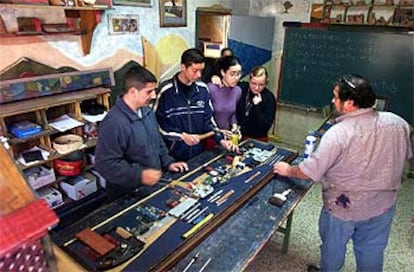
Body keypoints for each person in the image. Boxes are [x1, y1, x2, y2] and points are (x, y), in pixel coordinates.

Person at [273, 74, 412, 272]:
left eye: (335, 97)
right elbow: (404, 157)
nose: (332, 100)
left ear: (349, 103)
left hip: (344, 207)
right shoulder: (398, 123)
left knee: (333, 249)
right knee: (372, 251)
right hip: (383, 205)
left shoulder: (338, 134)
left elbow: (310, 171)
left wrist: (288, 170)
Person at [95, 66, 188, 201]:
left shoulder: (147, 111)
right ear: (133, 92)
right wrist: (140, 175)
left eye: (154, 91)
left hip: (151, 188)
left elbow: (157, 141)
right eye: (149, 92)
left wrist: (168, 162)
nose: (154, 96)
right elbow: (105, 164)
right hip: (127, 195)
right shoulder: (114, 122)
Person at [154, 48, 238, 161]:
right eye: (195, 70)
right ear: (183, 67)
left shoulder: (203, 89)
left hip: (199, 154)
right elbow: (156, 124)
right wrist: (181, 136)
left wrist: (222, 141)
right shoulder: (166, 90)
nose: (199, 75)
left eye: (201, 70)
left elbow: (208, 121)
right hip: (172, 156)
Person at [236, 66, 276, 142]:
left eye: (261, 85)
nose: (257, 88)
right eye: (253, 83)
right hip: (239, 136)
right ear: (249, 80)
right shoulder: (242, 88)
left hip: (258, 139)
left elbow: (265, 126)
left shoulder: (269, 98)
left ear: (266, 83)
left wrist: (256, 107)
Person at [207, 55, 242, 133]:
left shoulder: (237, 91)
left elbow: (232, 113)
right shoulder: (211, 88)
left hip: (228, 135)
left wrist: (234, 126)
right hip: (210, 135)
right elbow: (205, 117)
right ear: (223, 72)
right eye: (232, 74)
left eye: (239, 74)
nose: (236, 78)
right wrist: (218, 131)